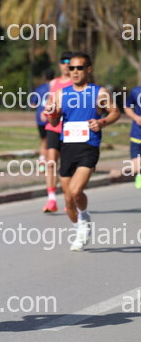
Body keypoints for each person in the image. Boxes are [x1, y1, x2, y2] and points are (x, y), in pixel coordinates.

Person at [44, 52, 120, 251]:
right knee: (68, 200)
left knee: (76, 191)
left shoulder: (99, 92)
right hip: (67, 147)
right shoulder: (61, 94)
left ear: (89, 70)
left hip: (89, 147)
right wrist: (51, 113)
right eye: (72, 68)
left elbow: (115, 112)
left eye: (80, 67)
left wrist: (102, 122)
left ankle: (84, 217)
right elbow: (54, 122)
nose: (75, 71)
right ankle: (78, 228)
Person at [41, 52, 73, 213]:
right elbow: (50, 100)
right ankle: (51, 199)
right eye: (63, 61)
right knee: (51, 162)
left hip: (70, 129)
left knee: (68, 166)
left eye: (69, 62)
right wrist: (45, 110)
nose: (66, 64)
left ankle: (69, 198)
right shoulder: (54, 83)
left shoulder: (77, 82)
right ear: (59, 64)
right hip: (53, 127)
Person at [31, 69, 54, 173]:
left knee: (43, 142)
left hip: (40, 119)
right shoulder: (56, 87)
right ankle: (50, 165)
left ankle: (41, 165)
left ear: (45, 77)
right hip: (52, 118)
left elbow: (33, 104)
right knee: (52, 144)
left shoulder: (39, 89)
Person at [124, 84, 141, 188]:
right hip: (137, 135)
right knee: (135, 168)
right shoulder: (136, 91)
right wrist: (136, 117)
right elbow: (127, 107)